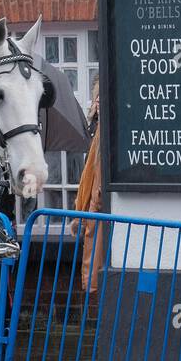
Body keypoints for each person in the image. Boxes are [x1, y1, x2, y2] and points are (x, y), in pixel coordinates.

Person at [76, 79, 106, 295]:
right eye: (96, 97)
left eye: (101, 97)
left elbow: (98, 184)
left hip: (100, 215)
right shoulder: (95, 133)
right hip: (93, 216)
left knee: (98, 281)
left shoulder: (106, 135)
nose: (98, 102)